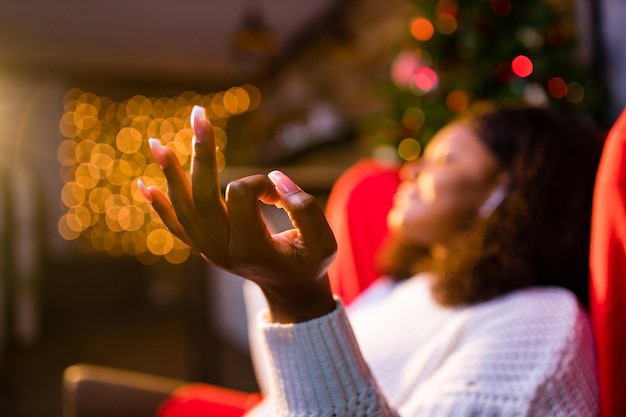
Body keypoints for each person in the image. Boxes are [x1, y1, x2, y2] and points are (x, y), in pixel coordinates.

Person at [138, 102, 602, 416]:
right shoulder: (405, 285)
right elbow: (292, 394)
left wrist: (298, 298)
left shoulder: (540, 324)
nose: (412, 169)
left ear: (508, 189)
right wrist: (266, 275)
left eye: (445, 160)